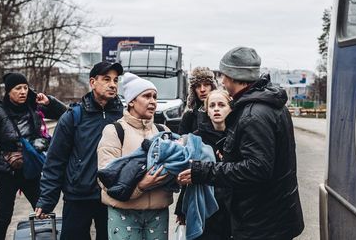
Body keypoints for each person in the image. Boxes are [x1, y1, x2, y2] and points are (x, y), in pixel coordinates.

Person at [177, 47, 305, 240]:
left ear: (232, 76)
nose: (222, 82)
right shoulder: (270, 105)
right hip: (274, 217)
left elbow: (257, 168)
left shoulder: (254, 115)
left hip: (261, 223)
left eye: (223, 76)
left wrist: (203, 171)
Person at [35, 61, 124, 240]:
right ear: (92, 82)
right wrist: (47, 199)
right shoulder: (73, 116)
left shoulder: (123, 116)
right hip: (78, 196)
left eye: (115, 80)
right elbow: (55, 160)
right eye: (107, 79)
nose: (113, 84)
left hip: (112, 196)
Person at [0, 72, 66, 240]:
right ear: (9, 91)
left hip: (30, 171)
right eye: (18, 88)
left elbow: (66, 114)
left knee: (44, 211)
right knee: (3, 217)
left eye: (25, 87)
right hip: (6, 173)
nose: (23, 91)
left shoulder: (34, 107)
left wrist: (49, 101)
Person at [97, 72, 173, 240]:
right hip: (123, 213)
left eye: (154, 96)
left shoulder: (163, 132)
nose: (153, 101)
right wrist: (141, 186)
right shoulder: (115, 131)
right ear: (131, 101)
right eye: (146, 96)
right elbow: (105, 178)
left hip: (158, 213)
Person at [175, 89, 232, 239]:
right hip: (205, 205)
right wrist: (181, 209)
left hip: (232, 206)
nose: (217, 109)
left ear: (230, 108)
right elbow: (189, 174)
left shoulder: (237, 135)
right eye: (212, 106)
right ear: (207, 111)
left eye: (221, 105)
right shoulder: (197, 138)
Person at [178, 67, 217, 135]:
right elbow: (181, 141)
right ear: (194, 90)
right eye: (198, 86)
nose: (202, 89)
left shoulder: (222, 111)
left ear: (212, 87)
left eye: (206, 84)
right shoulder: (189, 116)